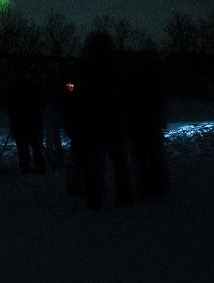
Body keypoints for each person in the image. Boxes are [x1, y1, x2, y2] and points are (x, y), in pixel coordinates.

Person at [71, 32, 133, 208]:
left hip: (95, 126)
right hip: (113, 124)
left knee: (96, 165)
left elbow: (79, 98)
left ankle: (96, 200)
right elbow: (126, 96)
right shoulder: (117, 69)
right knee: (120, 164)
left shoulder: (87, 69)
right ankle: (125, 197)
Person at [124, 51, 169, 199]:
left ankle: (145, 187)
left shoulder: (130, 81)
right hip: (150, 124)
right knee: (153, 155)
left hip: (138, 126)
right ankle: (158, 186)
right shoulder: (154, 81)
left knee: (141, 157)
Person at [6, 75, 46, 173]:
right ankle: (39, 166)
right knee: (35, 146)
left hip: (21, 123)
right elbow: (41, 104)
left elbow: (10, 107)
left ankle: (26, 167)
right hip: (32, 122)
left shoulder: (14, 91)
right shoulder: (34, 90)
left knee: (24, 147)